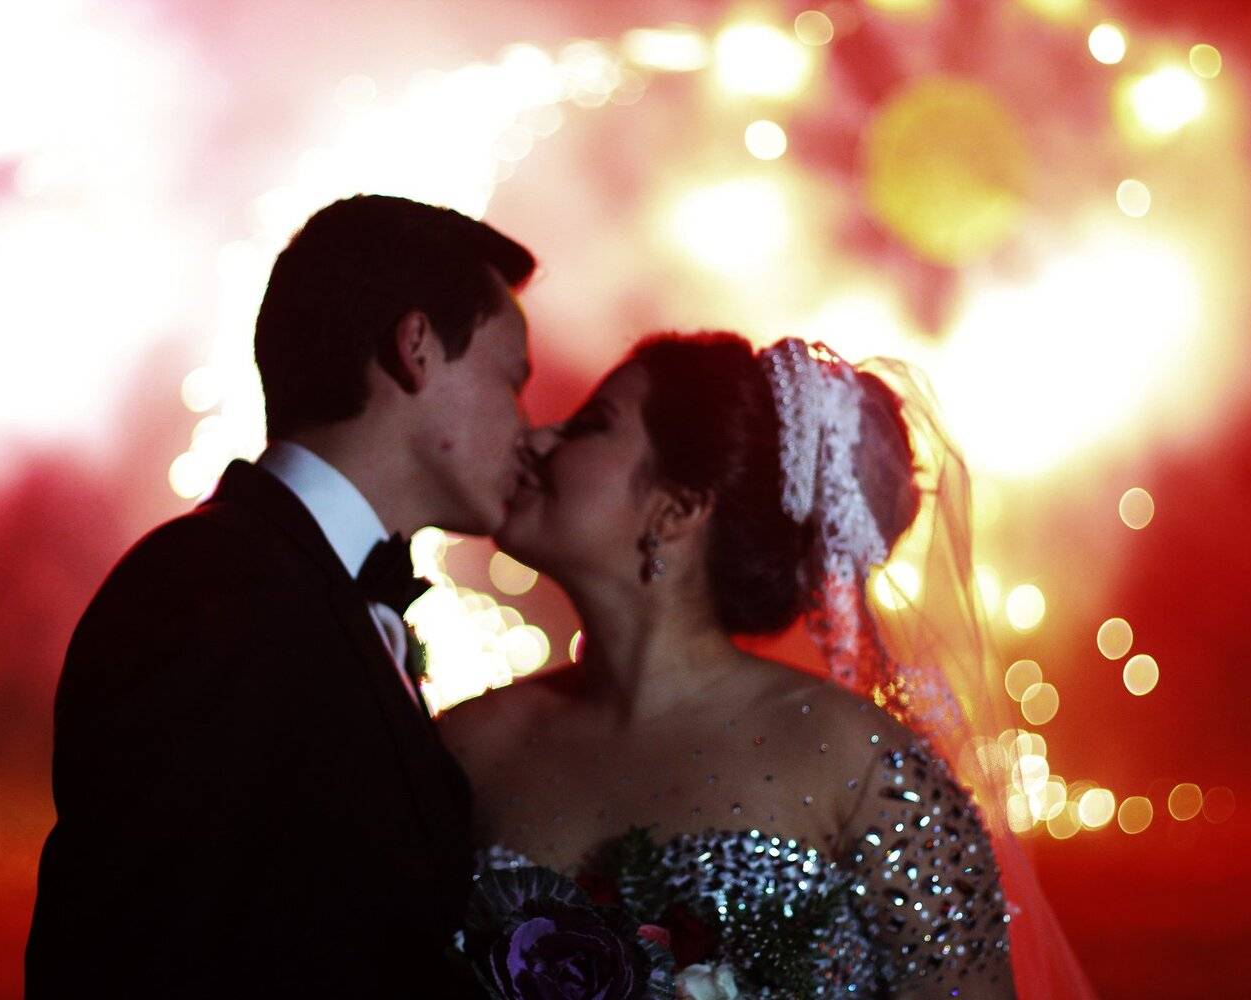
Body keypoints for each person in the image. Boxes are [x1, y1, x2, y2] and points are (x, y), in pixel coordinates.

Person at [442, 333, 1095, 998]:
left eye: (591, 425)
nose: (537, 439)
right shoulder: (468, 747)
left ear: (678, 507)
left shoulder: (866, 770)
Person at [26, 194, 536, 996]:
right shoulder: (207, 589)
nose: (528, 428)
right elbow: (133, 949)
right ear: (416, 349)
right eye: (512, 380)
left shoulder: (316, 589)